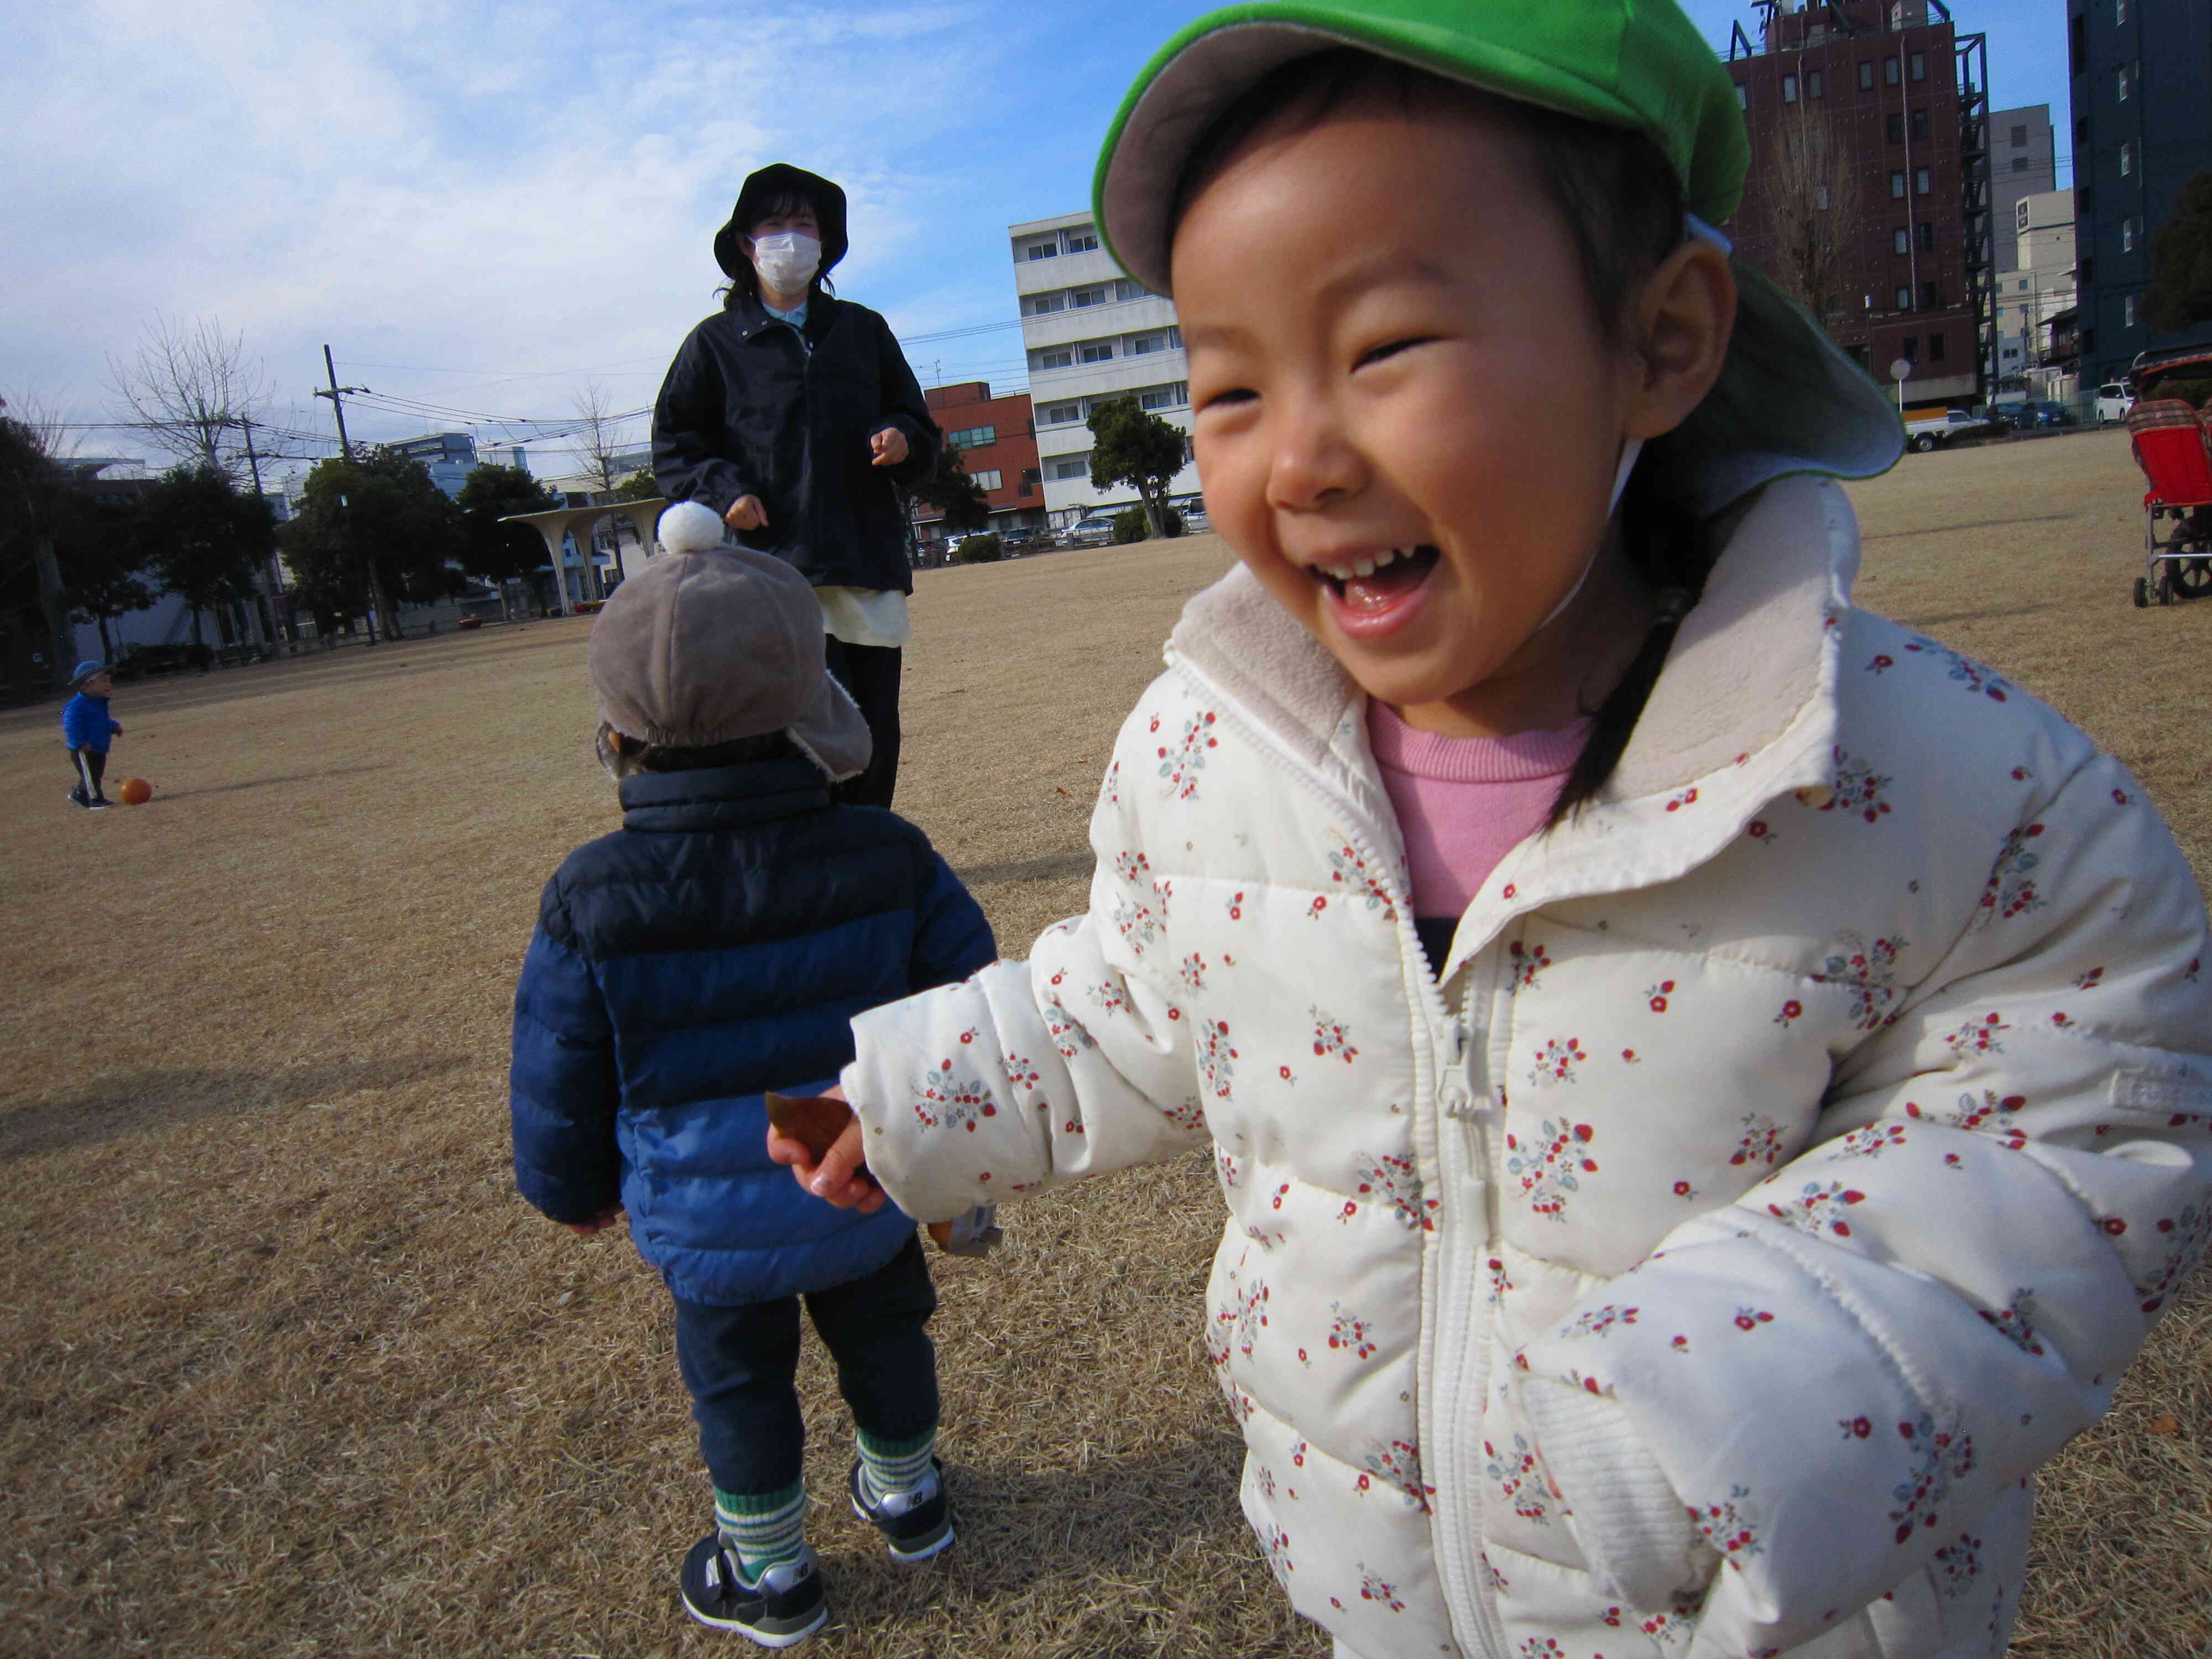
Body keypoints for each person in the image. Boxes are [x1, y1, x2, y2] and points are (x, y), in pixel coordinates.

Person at [770, 6, 2212, 1657]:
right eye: (1228, 385)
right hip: (1375, 1587)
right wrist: (908, 1097)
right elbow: (1144, 997)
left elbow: (2084, 1114)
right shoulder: (1214, 749)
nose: (1299, 456)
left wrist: (1725, 1392)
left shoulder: (1913, 775)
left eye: (1383, 349)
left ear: (1660, 341)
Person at [508, 504, 993, 1646]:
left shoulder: (593, 892)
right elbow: (971, 1012)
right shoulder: (885, 852)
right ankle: (910, 1496)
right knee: (885, 1337)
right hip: (863, 1177)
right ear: (806, 694)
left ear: (620, 727)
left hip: (703, 1212)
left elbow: (559, 1064)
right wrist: (967, 1165)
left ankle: (771, 1574)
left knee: (737, 1383)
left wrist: (569, 1189)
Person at [653, 163, 939, 812]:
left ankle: (869, 849)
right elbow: (675, 446)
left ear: (824, 242)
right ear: (746, 244)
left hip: (863, 561)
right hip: (769, 572)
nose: (790, 239)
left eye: (803, 225)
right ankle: (811, 853)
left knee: (871, 731)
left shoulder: (862, 331)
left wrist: (902, 437)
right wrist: (724, 490)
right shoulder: (715, 345)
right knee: (796, 731)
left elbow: (920, 425)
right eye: (774, 225)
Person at [61, 660, 123, 810]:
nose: (109, 685)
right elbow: (71, 726)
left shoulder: (97, 703)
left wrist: (113, 727)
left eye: (109, 681)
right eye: (103, 681)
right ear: (87, 685)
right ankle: (94, 800)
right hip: (84, 749)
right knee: (91, 776)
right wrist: (80, 742)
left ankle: (80, 794)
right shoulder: (77, 706)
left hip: (98, 748)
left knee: (95, 774)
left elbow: (101, 721)